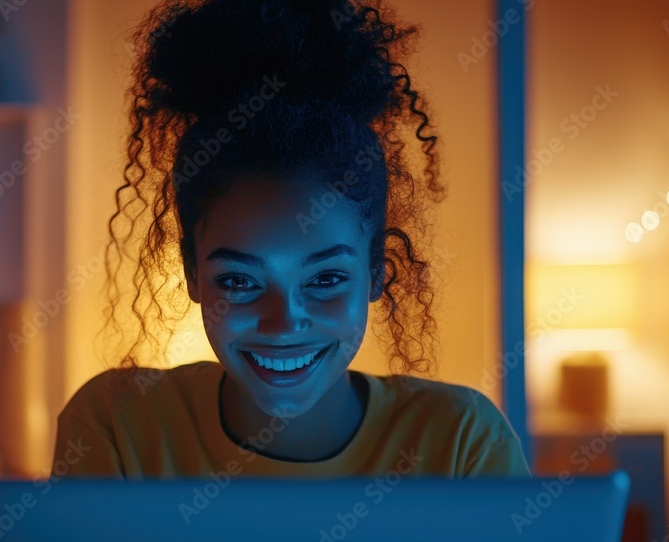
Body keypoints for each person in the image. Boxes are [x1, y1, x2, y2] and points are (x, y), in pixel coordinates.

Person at [53, 0, 530, 480]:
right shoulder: (116, 423)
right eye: (239, 281)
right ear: (193, 273)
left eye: (325, 278)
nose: (283, 324)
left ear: (376, 272)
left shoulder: (462, 444)